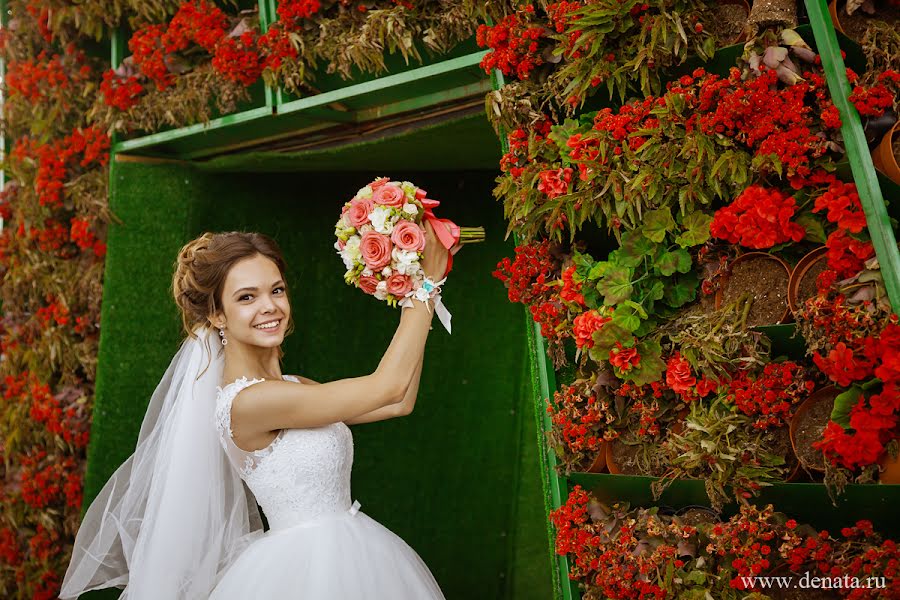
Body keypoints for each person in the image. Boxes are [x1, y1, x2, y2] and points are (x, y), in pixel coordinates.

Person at [60, 222, 454, 599]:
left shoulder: (294, 388)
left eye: (277, 291)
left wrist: (426, 293)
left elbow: (398, 401)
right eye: (246, 297)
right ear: (217, 315)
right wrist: (423, 284)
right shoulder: (248, 403)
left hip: (354, 549)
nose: (270, 307)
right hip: (306, 573)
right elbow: (388, 384)